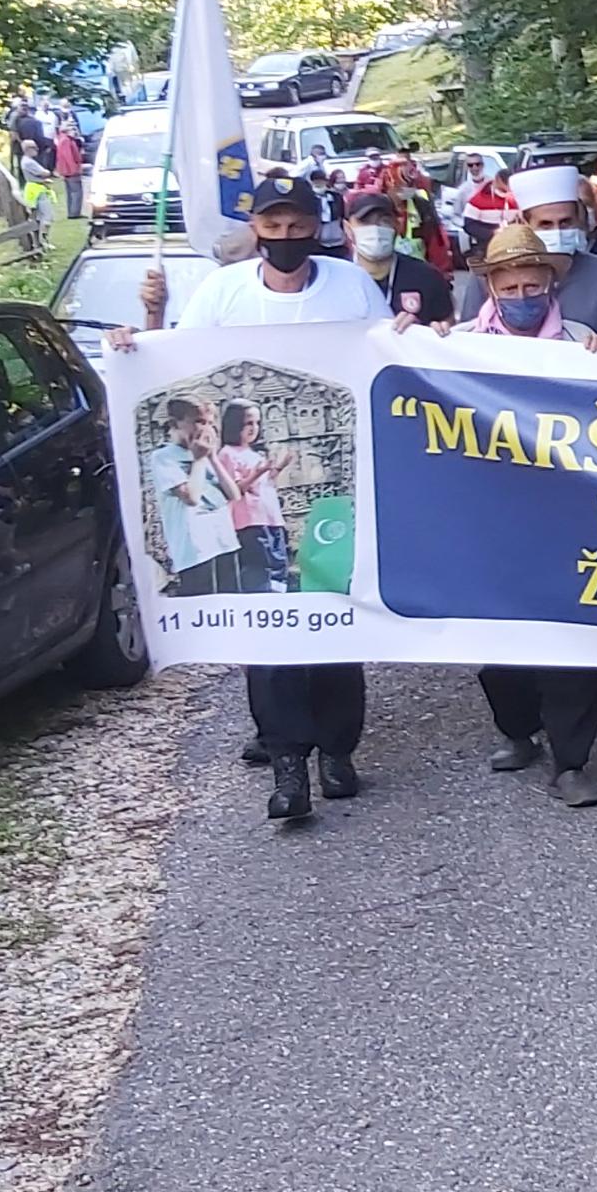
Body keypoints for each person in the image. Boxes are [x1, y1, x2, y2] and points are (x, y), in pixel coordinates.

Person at [133, 195, 391, 823]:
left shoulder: (351, 285)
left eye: (297, 227)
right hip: (251, 522)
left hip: (338, 493)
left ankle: (336, 752)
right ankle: (286, 766)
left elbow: (392, 359)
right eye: (272, 227)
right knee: (267, 632)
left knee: (335, 623)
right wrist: (144, 325)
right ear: (255, 231)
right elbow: (177, 365)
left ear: (317, 230)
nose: (285, 237)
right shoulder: (222, 293)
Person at [447, 223, 597, 805]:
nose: (523, 295)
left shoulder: (583, 344)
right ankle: (517, 730)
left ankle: (571, 762)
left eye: (533, 284)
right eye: (510, 285)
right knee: (502, 648)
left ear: (551, 281)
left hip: (566, 512)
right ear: (491, 285)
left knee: (569, 643)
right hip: (490, 512)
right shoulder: (457, 346)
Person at [451, 164, 597, 342]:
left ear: (580, 220)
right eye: (545, 225)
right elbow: (469, 346)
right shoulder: (489, 276)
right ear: (524, 223)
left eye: (565, 223)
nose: (557, 232)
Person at [144, 399, 242, 597]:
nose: (204, 429)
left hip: (223, 541)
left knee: (232, 602)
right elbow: (191, 498)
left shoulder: (205, 455)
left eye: (209, 423)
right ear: (175, 424)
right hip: (195, 549)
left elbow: (234, 494)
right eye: (199, 422)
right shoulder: (164, 457)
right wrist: (198, 460)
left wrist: (212, 457)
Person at [343, 191, 457, 325]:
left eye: (384, 221)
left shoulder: (427, 277)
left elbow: (448, 324)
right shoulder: (336, 278)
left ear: (397, 226)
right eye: (365, 222)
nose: (375, 229)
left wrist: (424, 331)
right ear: (348, 228)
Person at [215, 401, 291, 593]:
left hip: (271, 518)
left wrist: (279, 466)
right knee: (260, 570)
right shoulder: (227, 454)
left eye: (257, 423)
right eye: (248, 423)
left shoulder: (252, 453)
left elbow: (266, 483)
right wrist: (257, 473)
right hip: (250, 521)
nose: (253, 428)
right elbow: (233, 489)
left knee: (278, 563)